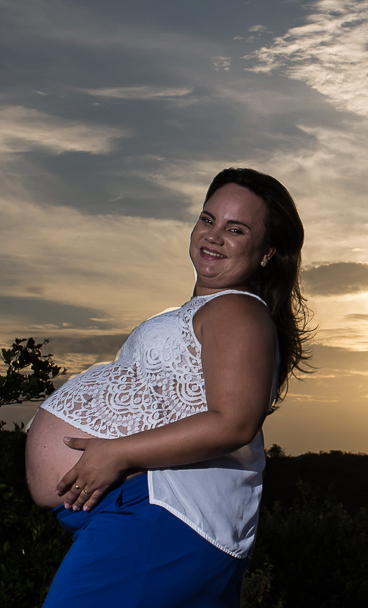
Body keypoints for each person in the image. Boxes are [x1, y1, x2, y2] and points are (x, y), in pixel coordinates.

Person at [24, 168, 310, 607]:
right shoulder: (212, 309)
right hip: (138, 511)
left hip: (160, 513)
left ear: (267, 251)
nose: (213, 236)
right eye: (207, 219)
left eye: (236, 229)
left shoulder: (236, 310)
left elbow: (234, 423)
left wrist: (116, 452)